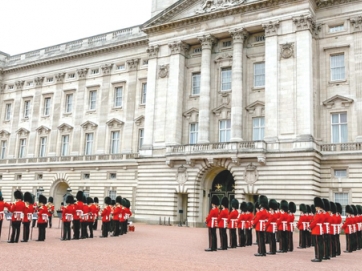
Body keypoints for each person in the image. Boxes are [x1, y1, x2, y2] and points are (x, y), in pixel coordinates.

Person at [310, 197, 325, 262]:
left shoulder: (318, 214)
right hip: (319, 230)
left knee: (317, 244)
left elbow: (314, 222)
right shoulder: (322, 213)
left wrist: (309, 227)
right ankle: (320, 256)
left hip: (316, 230)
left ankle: (318, 257)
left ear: (318, 207)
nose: (315, 208)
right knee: (320, 244)